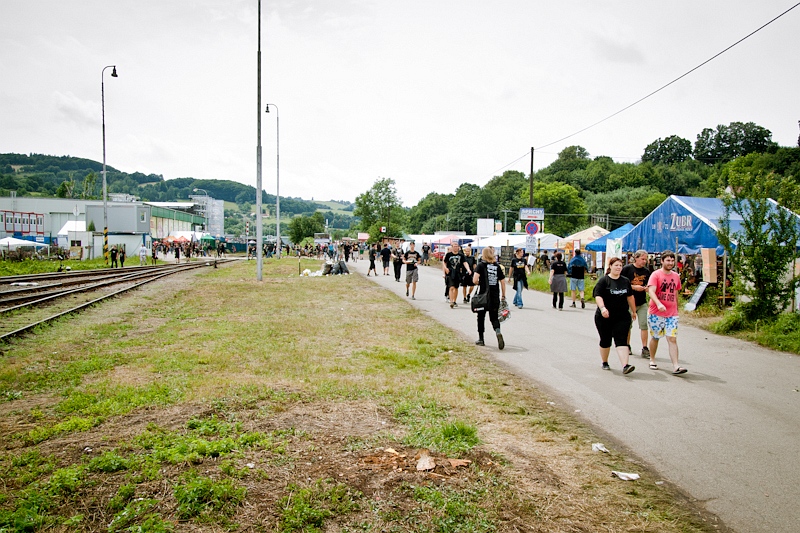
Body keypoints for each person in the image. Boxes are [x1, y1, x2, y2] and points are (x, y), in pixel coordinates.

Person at [593, 257, 638, 374]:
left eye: (620, 265)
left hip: (622, 316)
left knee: (622, 340)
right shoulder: (604, 281)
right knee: (606, 340)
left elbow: (630, 296)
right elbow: (598, 296)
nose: (618, 267)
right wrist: (602, 308)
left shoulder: (625, 281)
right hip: (605, 317)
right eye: (616, 265)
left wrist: (633, 311)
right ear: (611, 266)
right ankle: (605, 362)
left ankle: (625, 365)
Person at [647, 250, 687, 375]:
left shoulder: (676, 276)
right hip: (656, 313)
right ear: (662, 261)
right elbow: (651, 291)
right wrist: (658, 303)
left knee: (672, 338)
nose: (670, 263)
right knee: (656, 337)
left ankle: (676, 366)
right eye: (668, 260)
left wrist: (677, 308)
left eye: (672, 260)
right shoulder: (656, 275)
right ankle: (652, 359)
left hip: (672, 314)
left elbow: (676, 292)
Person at [472, 246, 507, 349]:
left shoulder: (481, 265)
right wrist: (503, 295)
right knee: (494, 317)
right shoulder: (497, 266)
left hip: (483, 295)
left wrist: (480, 283)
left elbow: (474, 280)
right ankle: (498, 332)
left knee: (481, 317)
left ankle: (481, 339)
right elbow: (503, 282)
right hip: (494, 295)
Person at [621, 250, 652, 358]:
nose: (644, 261)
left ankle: (644, 347)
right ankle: (627, 345)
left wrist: (648, 289)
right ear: (636, 258)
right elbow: (621, 283)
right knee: (628, 325)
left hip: (642, 301)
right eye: (642, 259)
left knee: (644, 324)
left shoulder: (646, 272)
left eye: (645, 259)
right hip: (629, 301)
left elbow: (649, 284)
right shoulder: (627, 269)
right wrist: (634, 287)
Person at [443, 242, 472, 308]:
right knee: (451, 287)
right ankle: (451, 301)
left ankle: (454, 300)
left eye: (457, 246)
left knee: (456, 288)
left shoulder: (461, 255)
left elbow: (465, 263)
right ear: (452, 247)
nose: (456, 247)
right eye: (454, 246)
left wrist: (468, 269)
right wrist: (445, 268)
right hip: (450, 272)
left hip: (458, 272)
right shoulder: (448, 255)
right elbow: (444, 263)